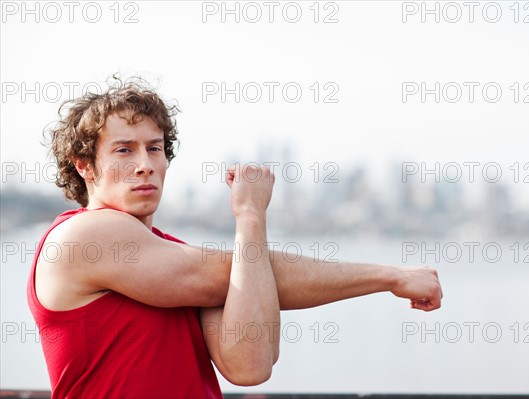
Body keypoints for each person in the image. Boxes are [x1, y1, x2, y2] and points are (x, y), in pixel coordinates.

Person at [27, 77, 443, 398]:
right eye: (124, 150)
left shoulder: (172, 257)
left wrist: (251, 225)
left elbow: (250, 364)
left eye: (154, 148)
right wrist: (248, 213)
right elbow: (241, 271)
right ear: (84, 166)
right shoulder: (85, 235)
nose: (144, 165)